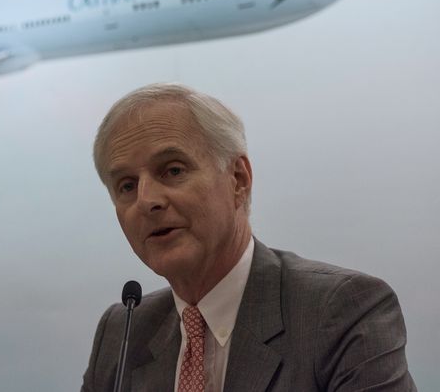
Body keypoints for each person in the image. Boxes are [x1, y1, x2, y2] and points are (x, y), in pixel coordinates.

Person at [81, 83, 415, 392]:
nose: (147, 200)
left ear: (238, 179)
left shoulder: (341, 310)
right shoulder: (122, 332)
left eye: (173, 170)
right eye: (126, 186)